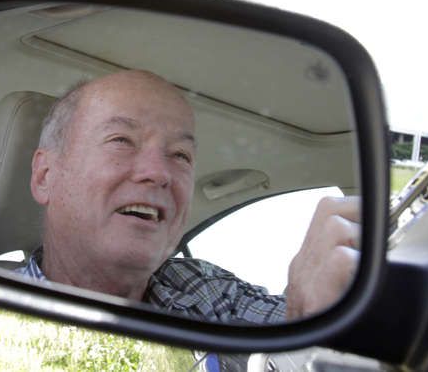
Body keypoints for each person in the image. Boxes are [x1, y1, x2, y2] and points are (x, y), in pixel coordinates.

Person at [19, 69, 361, 324]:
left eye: (180, 155)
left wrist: (311, 308)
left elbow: (285, 326)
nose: (160, 172)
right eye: (121, 140)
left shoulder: (206, 290)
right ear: (45, 176)